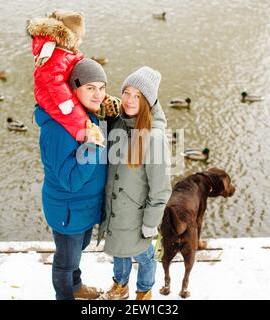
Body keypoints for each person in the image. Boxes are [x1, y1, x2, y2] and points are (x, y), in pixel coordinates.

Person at [35, 58, 109, 300]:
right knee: (65, 262)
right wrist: (94, 146)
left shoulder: (85, 116)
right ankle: (65, 296)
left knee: (77, 252)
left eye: (102, 87)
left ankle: (76, 287)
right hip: (68, 210)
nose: (98, 95)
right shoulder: (57, 129)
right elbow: (71, 181)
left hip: (84, 208)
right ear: (73, 89)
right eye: (90, 88)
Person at [98, 66, 172, 300]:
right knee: (119, 250)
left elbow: (160, 190)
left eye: (137, 96)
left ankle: (144, 290)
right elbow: (102, 148)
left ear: (148, 101)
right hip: (116, 210)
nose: (129, 100)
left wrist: (151, 223)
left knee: (144, 255)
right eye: (126, 93)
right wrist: (103, 117)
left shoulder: (154, 138)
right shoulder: (121, 123)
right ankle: (120, 285)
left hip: (137, 215)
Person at [28, 9, 91, 142]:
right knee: (74, 117)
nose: (80, 42)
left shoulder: (63, 50)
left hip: (57, 93)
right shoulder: (55, 55)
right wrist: (65, 103)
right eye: (79, 39)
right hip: (51, 96)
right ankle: (85, 136)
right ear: (68, 37)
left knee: (80, 113)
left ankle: (87, 134)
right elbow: (54, 82)